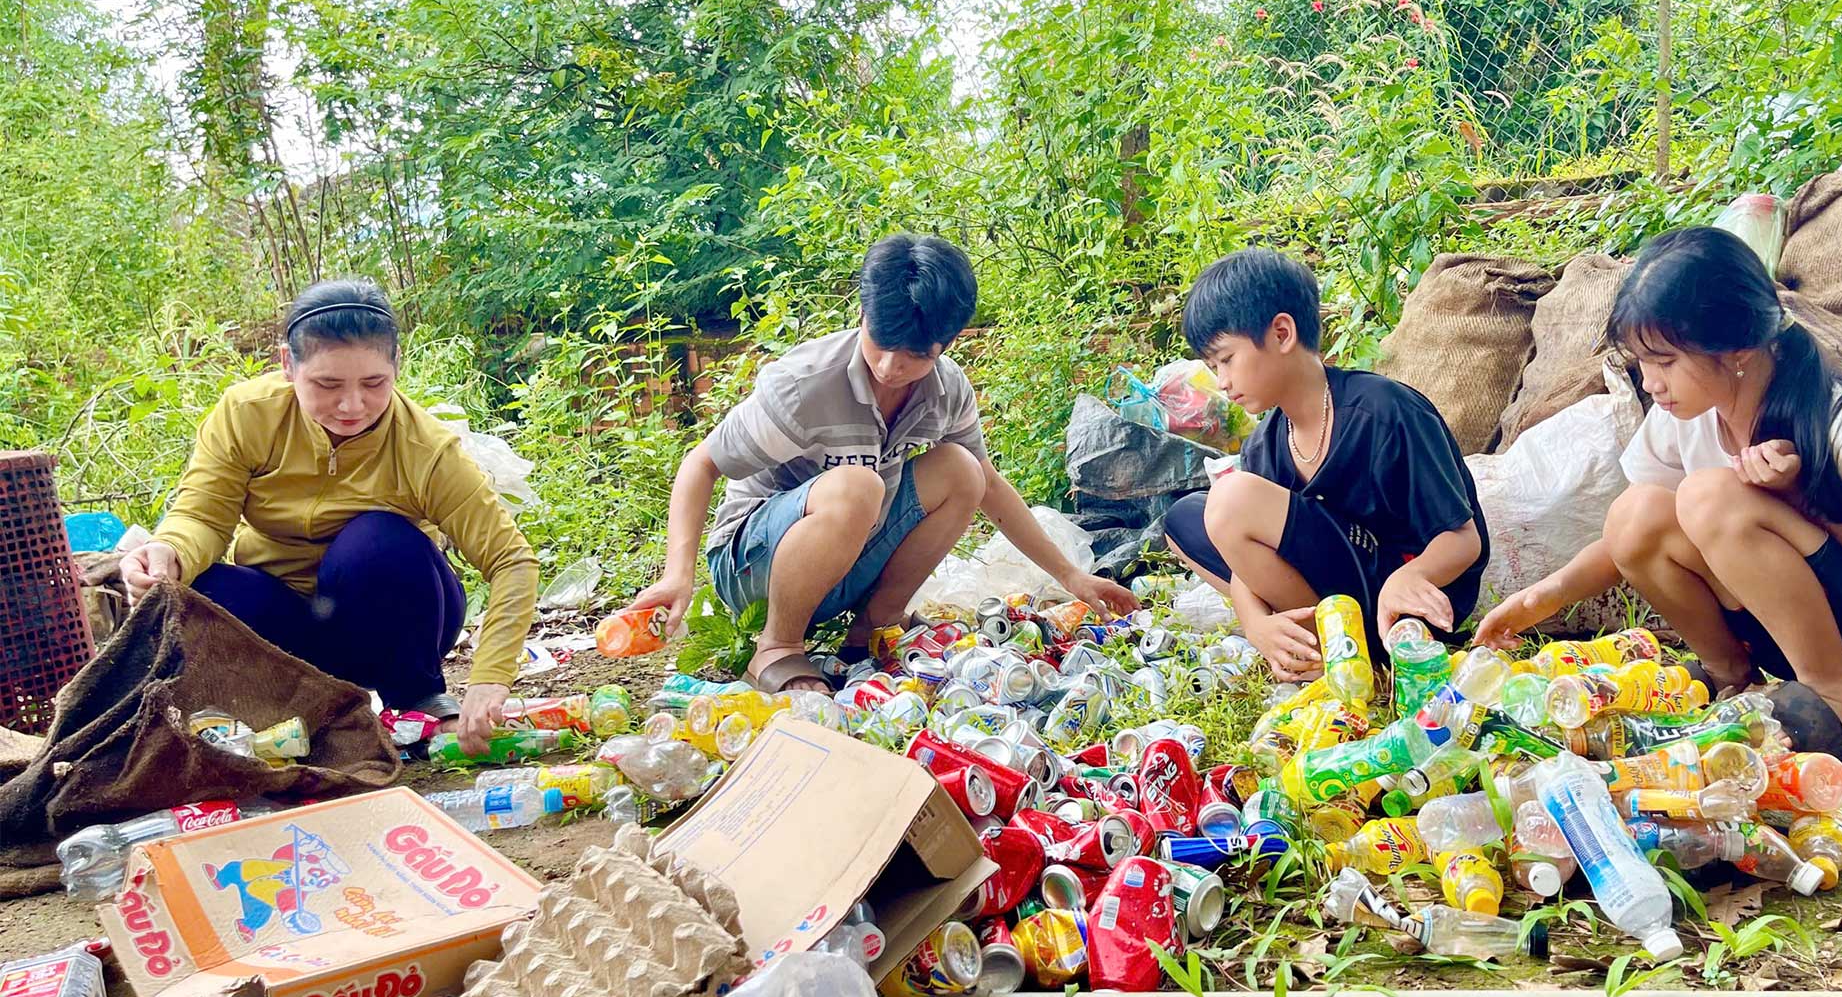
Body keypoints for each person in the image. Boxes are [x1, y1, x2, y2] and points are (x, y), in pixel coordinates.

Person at [1474, 227, 1842, 757]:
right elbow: (1631, 538)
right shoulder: (1685, 417)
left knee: (1708, 496)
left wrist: (1804, 501)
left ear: (1737, 349)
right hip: (1776, 623)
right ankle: (1734, 676)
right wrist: (1544, 597)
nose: (1652, 384)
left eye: (1666, 362)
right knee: (1637, 511)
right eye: (1643, 364)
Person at [626, 233, 1137, 692]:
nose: (892, 366)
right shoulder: (804, 383)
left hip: (851, 557)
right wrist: (679, 576)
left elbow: (989, 487)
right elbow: (701, 465)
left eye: (915, 354)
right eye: (882, 342)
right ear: (862, 316)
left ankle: (871, 629)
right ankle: (777, 647)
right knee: (857, 486)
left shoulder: (946, 390)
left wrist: (1072, 576)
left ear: (946, 343)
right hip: (754, 567)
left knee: (962, 468)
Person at [121, 278, 538, 756]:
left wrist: (489, 678)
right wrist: (169, 552)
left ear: (396, 367)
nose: (352, 405)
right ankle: (291, 716)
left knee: (378, 540)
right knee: (195, 592)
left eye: (374, 383)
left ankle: (415, 703)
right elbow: (204, 516)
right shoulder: (246, 415)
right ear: (287, 366)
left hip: (390, 625)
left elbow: (511, 561)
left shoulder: (426, 448)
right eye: (327, 384)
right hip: (283, 622)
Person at [1163, 249, 1489, 681]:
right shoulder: (1266, 443)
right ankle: (1317, 646)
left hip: (1401, 599)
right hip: (1333, 591)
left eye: (1226, 360)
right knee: (1183, 518)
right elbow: (1244, 553)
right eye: (1212, 366)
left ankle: (1352, 652)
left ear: (1281, 333)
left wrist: (1406, 579)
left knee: (1230, 499)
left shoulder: (1384, 413)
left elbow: (1464, 541)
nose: (1221, 381)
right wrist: (1255, 625)